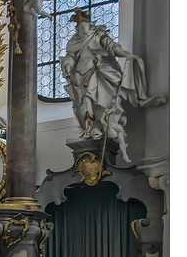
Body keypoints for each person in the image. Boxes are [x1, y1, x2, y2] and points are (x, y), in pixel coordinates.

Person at [61, 10, 166, 161]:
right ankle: (89, 128)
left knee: (96, 98)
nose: (82, 29)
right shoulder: (74, 42)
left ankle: (97, 128)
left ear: (89, 25)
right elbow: (70, 56)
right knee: (83, 102)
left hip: (96, 71)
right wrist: (68, 64)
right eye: (79, 27)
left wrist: (126, 54)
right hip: (80, 75)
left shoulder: (98, 35)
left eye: (84, 26)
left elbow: (111, 46)